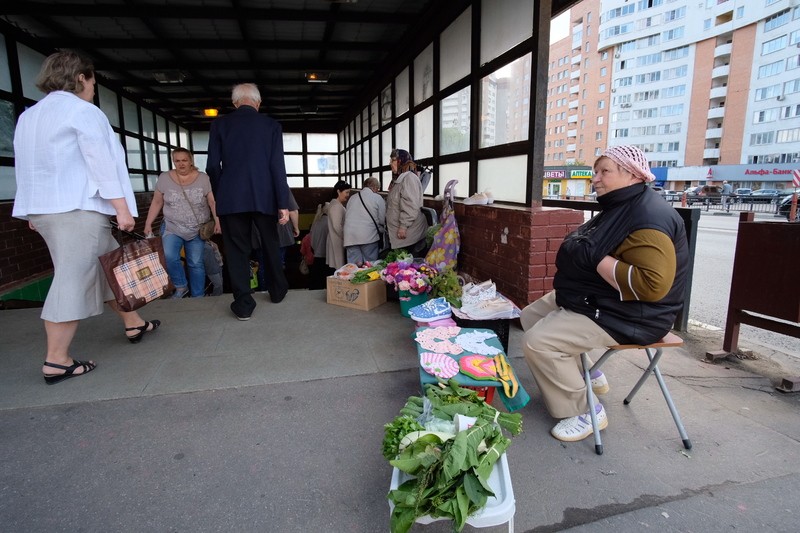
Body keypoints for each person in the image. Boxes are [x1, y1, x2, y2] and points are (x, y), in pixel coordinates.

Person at [520, 145, 689, 443]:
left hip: (634, 315)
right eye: (595, 171)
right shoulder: (621, 206)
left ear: (633, 175)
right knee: (530, 316)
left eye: (604, 172)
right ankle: (589, 376)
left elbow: (651, 285)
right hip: (601, 299)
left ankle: (585, 410)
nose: (595, 178)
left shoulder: (649, 217)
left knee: (538, 342)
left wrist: (594, 257)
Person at [12, 51, 161, 384]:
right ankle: (57, 360)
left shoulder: (30, 116)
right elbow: (101, 163)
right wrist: (121, 208)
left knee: (111, 270)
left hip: (49, 209)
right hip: (78, 209)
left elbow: (27, 165)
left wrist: (31, 210)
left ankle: (133, 322)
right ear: (81, 77)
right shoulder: (83, 112)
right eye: (93, 81)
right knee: (72, 278)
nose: (94, 88)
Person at [206, 83, 292, 320]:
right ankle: (277, 292)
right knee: (271, 244)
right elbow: (278, 167)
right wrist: (282, 203)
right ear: (258, 102)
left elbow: (213, 166)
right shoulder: (271, 126)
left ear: (235, 103)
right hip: (265, 197)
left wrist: (221, 191)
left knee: (236, 250)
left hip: (231, 198)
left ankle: (244, 305)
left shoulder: (220, 124)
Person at [144, 148, 220, 298]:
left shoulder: (203, 178)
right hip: (173, 226)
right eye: (177, 161)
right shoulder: (164, 178)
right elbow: (157, 201)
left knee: (195, 263)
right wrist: (148, 223)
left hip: (197, 229)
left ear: (191, 161)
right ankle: (181, 286)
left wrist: (218, 221)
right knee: (169, 255)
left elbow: (212, 202)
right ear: (173, 162)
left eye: (184, 160)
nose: (181, 164)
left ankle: (198, 296)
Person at [385, 149, 428, 254]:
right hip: (402, 237)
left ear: (401, 161)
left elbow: (411, 205)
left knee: (408, 267)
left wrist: (403, 226)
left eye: (393, 160)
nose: (390, 163)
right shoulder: (399, 179)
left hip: (409, 236)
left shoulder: (409, 178)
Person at [343, 176, 386, 266]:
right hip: (368, 237)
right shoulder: (377, 198)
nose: (377, 191)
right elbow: (382, 220)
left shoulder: (352, 198)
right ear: (374, 188)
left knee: (353, 266)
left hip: (350, 237)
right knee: (369, 265)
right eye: (377, 189)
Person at [326, 180, 351, 270]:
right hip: (337, 240)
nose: (348, 195)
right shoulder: (336, 206)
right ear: (338, 191)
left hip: (337, 239)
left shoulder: (336, 204)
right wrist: (346, 237)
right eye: (346, 192)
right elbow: (337, 226)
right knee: (339, 269)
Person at [308, 202, 334, 289]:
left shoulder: (316, 222)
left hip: (317, 256)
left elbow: (312, 241)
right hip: (327, 256)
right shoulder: (330, 222)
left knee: (317, 282)